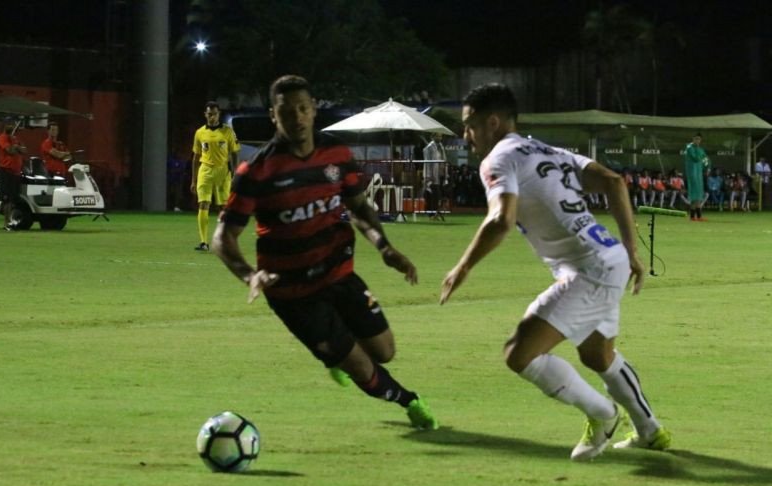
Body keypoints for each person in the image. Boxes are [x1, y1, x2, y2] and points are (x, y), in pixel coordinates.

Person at [440, 83, 670, 461]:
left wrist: (463, 266)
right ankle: (649, 430)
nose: (466, 136)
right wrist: (630, 252)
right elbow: (614, 182)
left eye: (469, 126)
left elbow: (501, 220)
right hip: (607, 257)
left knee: (521, 354)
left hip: (587, 269)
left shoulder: (497, 160)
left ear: (492, 122)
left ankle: (603, 414)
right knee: (598, 354)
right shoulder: (547, 150)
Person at [212, 75, 438, 430]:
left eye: (303, 108)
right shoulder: (258, 171)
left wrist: (384, 247)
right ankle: (408, 401)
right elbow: (223, 237)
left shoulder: (337, 155)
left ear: (313, 109)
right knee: (361, 366)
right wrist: (248, 274)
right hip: (292, 293)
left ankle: (336, 350)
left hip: (338, 274)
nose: (297, 117)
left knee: (384, 351)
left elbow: (360, 208)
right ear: (274, 116)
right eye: (287, 111)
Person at [191, 101, 240, 251]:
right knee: (203, 203)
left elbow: (235, 152)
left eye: (214, 114)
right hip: (205, 170)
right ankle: (203, 242)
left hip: (222, 171)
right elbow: (195, 156)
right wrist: (193, 180)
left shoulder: (228, 132)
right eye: (209, 114)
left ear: (219, 114)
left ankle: (225, 240)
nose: (212, 117)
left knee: (223, 207)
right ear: (205, 114)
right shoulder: (200, 132)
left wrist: (235, 173)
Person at [0, 118, 27, 230]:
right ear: (5, 125)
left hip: (16, 173)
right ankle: (6, 223)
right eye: (9, 124)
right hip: (6, 172)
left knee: (13, 200)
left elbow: (24, 150)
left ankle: (11, 222)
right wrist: (17, 148)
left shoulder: (14, 138)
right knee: (7, 200)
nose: (12, 126)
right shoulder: (2, 138)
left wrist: (17, 147)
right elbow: (10, 151)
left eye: (13, 124)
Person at [684, 133, 708, 221]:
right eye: (696, 139)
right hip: (692, 174)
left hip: (698, 174)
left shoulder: (700, 149)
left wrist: (707, 167)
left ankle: (698, 216)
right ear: (693, 139)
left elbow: (706, 159)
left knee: (698, 195)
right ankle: (692, 216)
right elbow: (696, 158)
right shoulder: (689, 148)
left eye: (699, 139)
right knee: (694, 195)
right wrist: (701, 156)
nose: (697, 141)